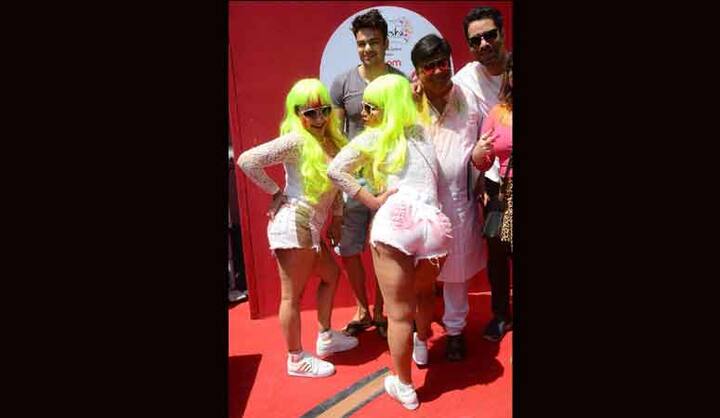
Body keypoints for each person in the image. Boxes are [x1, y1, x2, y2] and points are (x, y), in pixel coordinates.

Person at [328, 74, 451, 410]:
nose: (364, 113)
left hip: (395, 223)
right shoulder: (422, 133)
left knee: (398, 315)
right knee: (424, 293)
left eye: (371, 106)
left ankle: (405, 387)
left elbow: (335, 170)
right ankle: (422, 344)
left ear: (387, 107)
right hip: (434, 226)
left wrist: (371, 200)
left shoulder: (374, 137)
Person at [237, 79, 359, 378]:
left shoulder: (331, 140)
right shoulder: (295, 140)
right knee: (291, 296)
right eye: (310, 113)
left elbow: (337, 184)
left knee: (331, 275)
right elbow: (247, 160)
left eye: (324, 111)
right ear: (297, 113)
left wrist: (337, 218)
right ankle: (295, 359)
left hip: (310, 225)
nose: (319, 119)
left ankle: (326, 336)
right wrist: (275, 191)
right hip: (295, 223)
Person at [410, 34, 499, 362]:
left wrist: (479, 162)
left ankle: (455, 331)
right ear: (417, 72)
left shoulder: (468, 97)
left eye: (442, 63)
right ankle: (418, 332)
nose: (438, 71)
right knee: (418, 273)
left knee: (457, 271)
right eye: (428, 66)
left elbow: (485, 139)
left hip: (457, 199)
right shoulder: (408, 103)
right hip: (417, 204)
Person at [330, 9, 407, 339]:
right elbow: (335, 137)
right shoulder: (342, 83)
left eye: (374, 42)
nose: (367, 49)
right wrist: (336, 191)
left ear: (386, 43)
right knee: (349, 248)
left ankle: (380, 311)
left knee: (383, 246)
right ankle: (362, 309)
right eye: (361, 43)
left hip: (389, 179)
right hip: (353, 181)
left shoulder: (400, 82)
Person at [452, 6, 513, 342]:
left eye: (490, 35)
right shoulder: (465, 80)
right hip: (497, 184)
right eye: (476, 40)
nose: (484, 44)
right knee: (499, 251)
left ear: (502, 34)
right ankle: (502, 315)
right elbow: (438, 96)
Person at [472, 54, 513, 341]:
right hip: (502, 195)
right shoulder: (497, 113)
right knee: (498, 257)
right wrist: (477, 154)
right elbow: (483, 161)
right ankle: (501, 315)